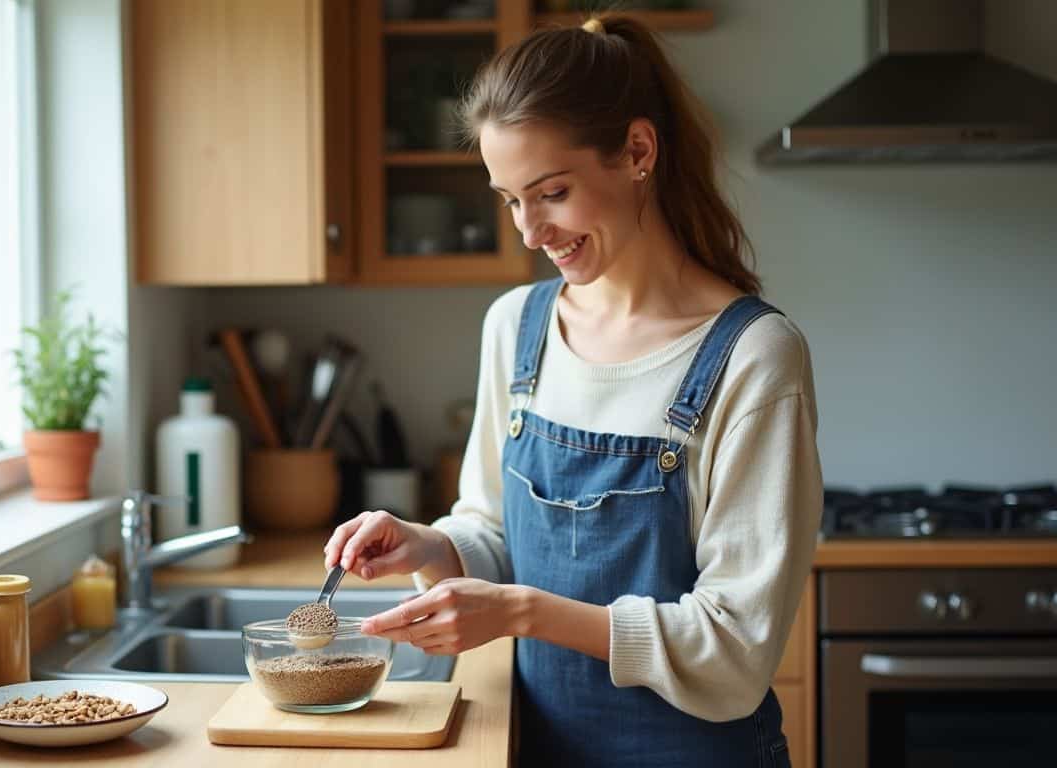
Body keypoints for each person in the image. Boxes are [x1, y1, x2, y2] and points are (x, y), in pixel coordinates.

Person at [324, 14, 822, 767]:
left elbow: (735, 648)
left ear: (638, 151)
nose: (530, 230)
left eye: (551, 191)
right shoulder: (515, 328)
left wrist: (521, 612)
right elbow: (493, 531)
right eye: (508, 199)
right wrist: (427, 544)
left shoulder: (753, 356)